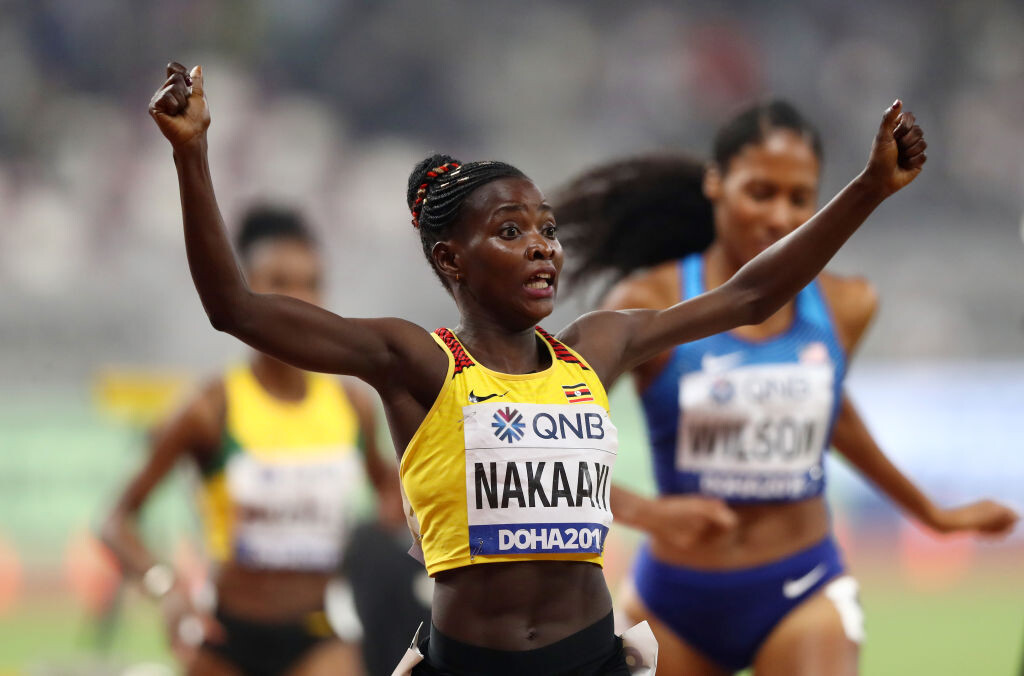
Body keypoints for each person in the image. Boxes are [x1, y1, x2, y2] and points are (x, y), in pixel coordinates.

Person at [148, 61, 927, 675]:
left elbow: (751, 294)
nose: (543, 248)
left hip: (590, 659)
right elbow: (235, 308)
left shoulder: (597, 348)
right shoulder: (417, 361)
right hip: (467, 663)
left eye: (547, 230)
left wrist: (869, 189)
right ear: (451, 259)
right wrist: (192, 155)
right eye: (511, 231)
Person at [553, 100, 1020, 675]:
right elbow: (549, 439)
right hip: (671, 599)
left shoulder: (847, 305)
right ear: (716, 184)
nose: (779, 217)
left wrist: (933, 515)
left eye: (799, 198)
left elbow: (833, 417)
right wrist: (648, 513)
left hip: (801, 587)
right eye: (761, 193)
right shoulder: (649, 302)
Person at [102, 205, 402, 676]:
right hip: (224, 637)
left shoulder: (352, 405)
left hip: (318, 633)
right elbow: (116, 520)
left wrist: (377, 539)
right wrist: (166, 588)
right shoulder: (209, 408)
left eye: (312, 283)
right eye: (279, 282)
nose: (299, 300)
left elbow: (390, 491)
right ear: (242, 291)